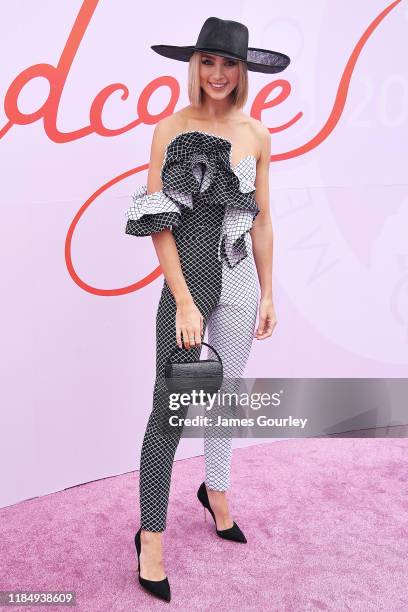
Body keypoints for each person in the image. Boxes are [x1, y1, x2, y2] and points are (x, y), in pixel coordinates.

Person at [125, 16, 290, 603]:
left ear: (244, 71)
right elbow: (158, 221)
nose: (218, 74)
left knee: (226, 393)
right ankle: (150, 538)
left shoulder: (258, 134)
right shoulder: (170, 128)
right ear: (194, 66)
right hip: (188, 284)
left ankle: (215, 492)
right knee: (168, 414)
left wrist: (268, 291)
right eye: (208, 62)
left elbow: (263, 219)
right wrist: (185, 302)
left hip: (242, 276)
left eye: (229, 64)